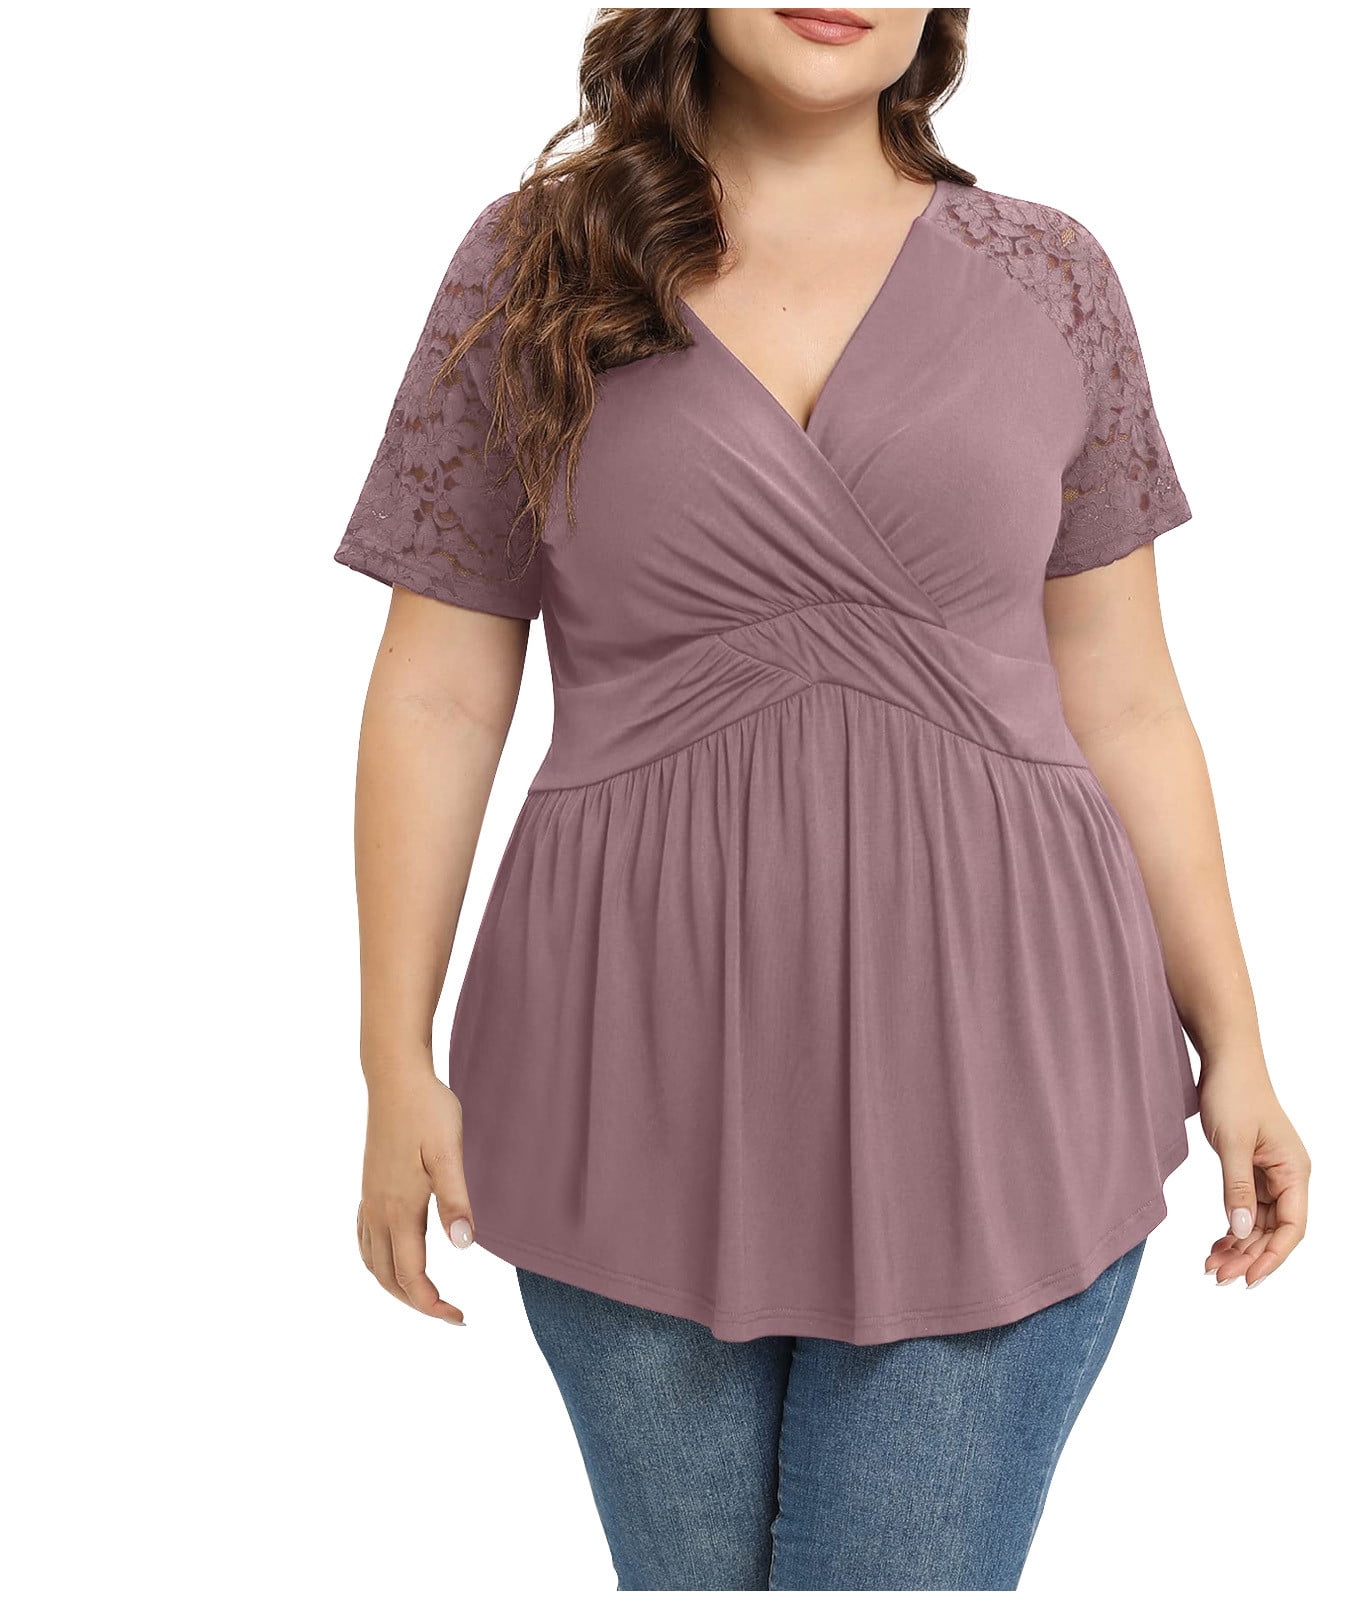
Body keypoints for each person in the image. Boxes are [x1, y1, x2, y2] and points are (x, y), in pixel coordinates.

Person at [336, 7, 1311, 1591]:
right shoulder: (535, 264)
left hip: (1003, 1077)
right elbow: (440, 689)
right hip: (623, 1078)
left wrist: (1240, 1041)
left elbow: (1126, 694)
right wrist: (393, 1054)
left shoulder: (1051, 275)